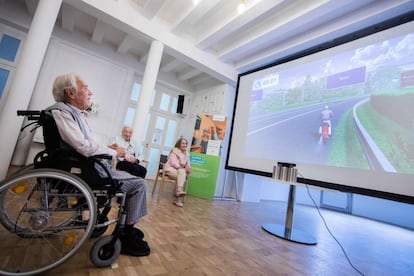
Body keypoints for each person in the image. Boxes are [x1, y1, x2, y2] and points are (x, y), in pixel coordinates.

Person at [46, 73, 149, 257]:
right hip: (86, 169)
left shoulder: (72, 113)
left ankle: (128, 227)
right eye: (85, 88)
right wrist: (113, 152)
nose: (90, 92)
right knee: (139, 184)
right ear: (70, 93)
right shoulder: (62, 112)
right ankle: (126, 233)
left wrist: (106, 149)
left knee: (136, 173)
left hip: (88, 164)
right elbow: (83, 146)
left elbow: (83, 144)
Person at [164, 138, 192, 207]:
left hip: (179, 171)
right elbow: (173, 163)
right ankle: (178, 198)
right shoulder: (174, 152)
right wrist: (182, 168)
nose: (184, 145)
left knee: (180, 176)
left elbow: (188, 163)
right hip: (170, 169)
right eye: (183, 143)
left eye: (186, 143)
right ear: (179, 144)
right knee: (181, 176)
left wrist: (188, 168)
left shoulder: (187, 154)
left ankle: (178, 191)